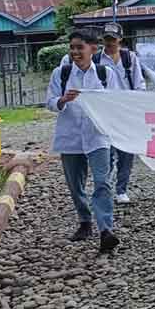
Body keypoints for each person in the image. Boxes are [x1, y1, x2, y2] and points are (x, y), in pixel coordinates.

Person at [46, 28, 119, 253]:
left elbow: (116, 102)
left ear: (93, 49)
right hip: (70, 136)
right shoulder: (62, 73)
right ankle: (84, 220)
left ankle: (106, 229)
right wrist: (62, 100)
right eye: (72, 47)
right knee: (75, 184)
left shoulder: (106, 74)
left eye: (80, 47)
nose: (75, 52)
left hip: (98, 136)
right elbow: (49, 102)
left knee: (102, 182)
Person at [96, 22, 144, 205]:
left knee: (126, 153)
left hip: (126, 112)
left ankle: (121, 189)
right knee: (106, 153)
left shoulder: (129, 58)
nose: (110, 43)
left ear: (120, 39)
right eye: (107, 39)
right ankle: (105, 187)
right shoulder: (96, 60)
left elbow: (139, 84)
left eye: (113, 39)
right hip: (105, 113)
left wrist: (137, 106)